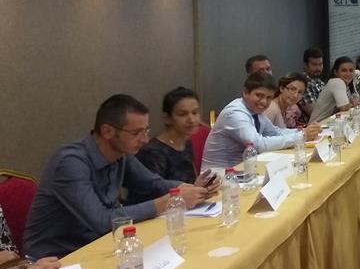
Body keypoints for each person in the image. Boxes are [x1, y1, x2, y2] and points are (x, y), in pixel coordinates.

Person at [23, 95, 218, 259]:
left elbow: (153, 183)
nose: (145, 140)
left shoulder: (121, 153)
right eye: (136, 133)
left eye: (146, 131)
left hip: (100, 245)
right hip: (57, 259)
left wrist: (189, 189)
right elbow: (101, 221)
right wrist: (168, 202)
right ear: (107, 131)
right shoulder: (70, 163)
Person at [202, 72, 322, 168]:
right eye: (259, 96)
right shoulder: (235, 113)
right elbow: (257, 145)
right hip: (219, 178)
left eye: (269, 97)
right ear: (245, 93)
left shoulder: (254, 111)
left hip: (244, 171)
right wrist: (301, 136)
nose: (264, 102)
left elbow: (276, 132)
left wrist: (304, 132)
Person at [133, 87, 202, 201]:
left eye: (195, 113)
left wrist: (201, 187)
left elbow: (190, 183)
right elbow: (152, 194)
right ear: (167, 118)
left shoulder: (186, 142)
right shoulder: (152, 152)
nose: (191, 119)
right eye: (182, 114)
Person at [309, 57, 360, 123]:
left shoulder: (347, 83)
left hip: (330, 122)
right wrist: (352, 103)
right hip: (318, 124)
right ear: (335, 72)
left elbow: (356, 97)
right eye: (344, 70)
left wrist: (353, 101)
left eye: (351, 70)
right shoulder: (337, 82)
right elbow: (344, 107)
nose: (348, 74)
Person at [299, 47, 326, 118]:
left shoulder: (318, 81)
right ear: (305, 65)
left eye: (320, 64)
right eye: (314, 64)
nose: (318, 68)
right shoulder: (303, 83)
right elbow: (315, 113)